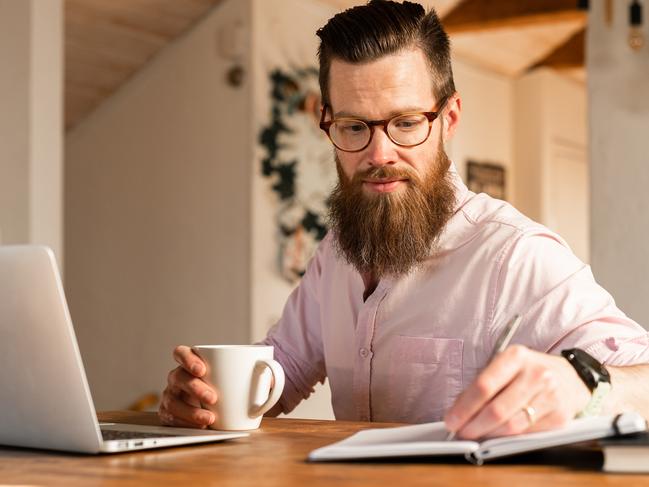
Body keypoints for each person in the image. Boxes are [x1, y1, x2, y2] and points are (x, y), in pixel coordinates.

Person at [159, 0, 649, 440]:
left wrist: (585, 383)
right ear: (326, 121)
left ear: (449, 118)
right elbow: (283, 365)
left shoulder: (516, 255)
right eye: (354, 127)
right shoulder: (336, 250)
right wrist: (208, 398)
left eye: (407, 123)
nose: (379, 153)